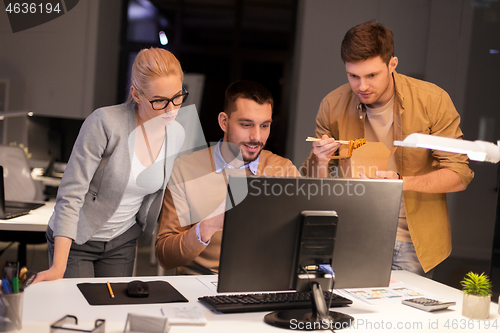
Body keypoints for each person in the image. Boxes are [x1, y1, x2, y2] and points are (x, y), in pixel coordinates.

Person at [302, 21, 474, 277]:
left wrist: (401, 183)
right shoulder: (332, 105)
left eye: (371, 75)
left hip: (411, 243)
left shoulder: (432, 101)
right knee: (348, 313)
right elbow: (316, 187)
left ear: (392, 64)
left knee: (402, 316)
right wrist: (319, 160)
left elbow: (459, 175)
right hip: (351, 236)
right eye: (353, 76)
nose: (362, 86)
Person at [34, 48, 188, 282]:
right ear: (136, 95)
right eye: (159, 101)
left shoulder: (176, 134)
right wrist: (58, 267)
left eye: (177, 97)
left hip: (121, 240)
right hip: (77, 238)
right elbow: (71, 194)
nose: (171, 109)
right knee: (78, 313)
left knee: (112, 312)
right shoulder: (105, 123)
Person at [155, 80, 301, 275]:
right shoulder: (185, 169)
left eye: (264, 126)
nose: (256, 136)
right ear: (224, 122)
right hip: (200, 286)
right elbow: (165, 256)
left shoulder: (284, 170)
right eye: (246, 124)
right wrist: (207, 227)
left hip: (262, 285)